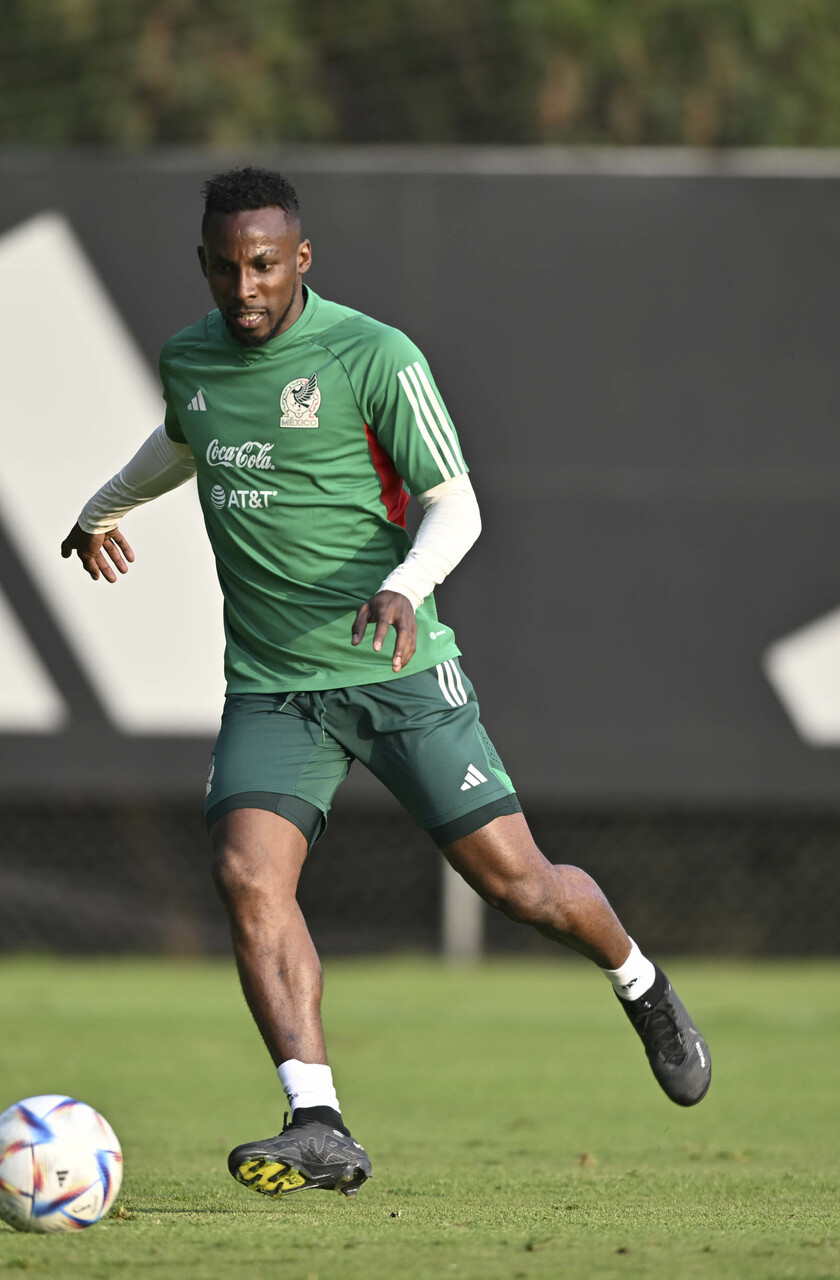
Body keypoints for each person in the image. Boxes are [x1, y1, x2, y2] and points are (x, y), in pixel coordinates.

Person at [61, 166, 710, 1199]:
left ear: (301, 259)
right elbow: (186, 437)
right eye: (226, 268)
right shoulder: (190, 357)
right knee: (247, 875)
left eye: (264, 265)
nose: (245, 288)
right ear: (204, 265)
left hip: (397, 669)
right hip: (274, 684)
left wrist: (406, 585)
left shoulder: (374, 355)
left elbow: (458, 503)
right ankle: (316, 1118)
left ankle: (641, 983)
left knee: (522, 887)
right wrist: (103, 507)